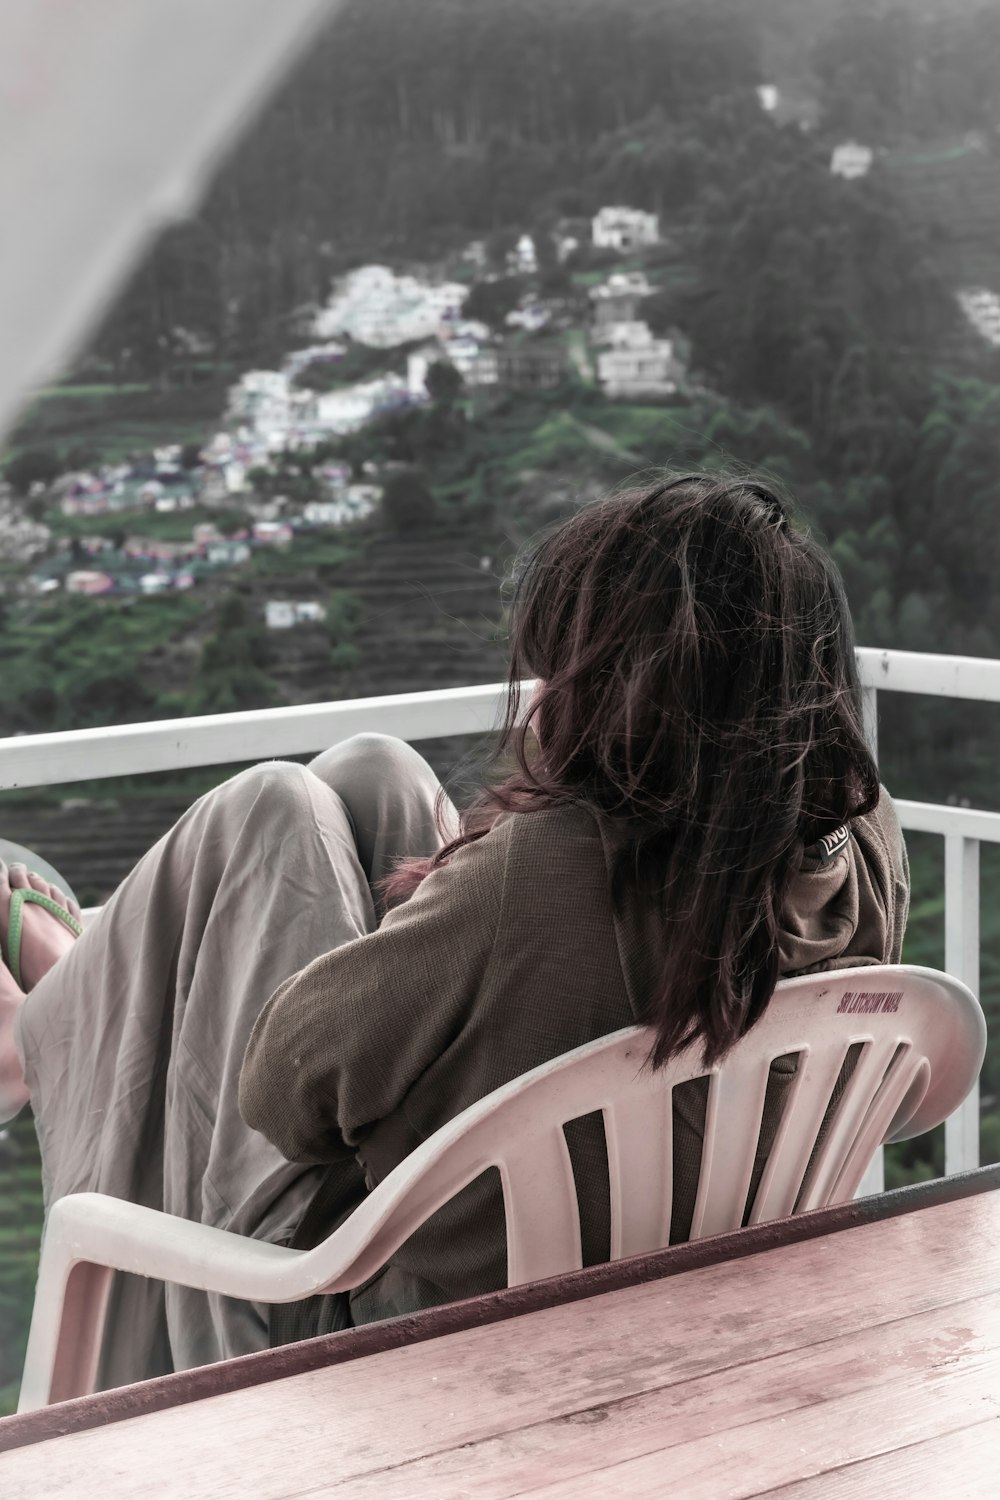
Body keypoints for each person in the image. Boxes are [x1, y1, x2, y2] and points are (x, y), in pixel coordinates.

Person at [0, 474, 908, 1390]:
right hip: (677, 1284)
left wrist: (477, 879)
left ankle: (44, 1027)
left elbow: (281, 1096)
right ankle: (70, 1006)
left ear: (633, 688)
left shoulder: (555, 869)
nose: (546, 695)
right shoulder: (866, 841)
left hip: (386, 1320)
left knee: (267, 810)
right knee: (375, 773)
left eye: (568, 665)